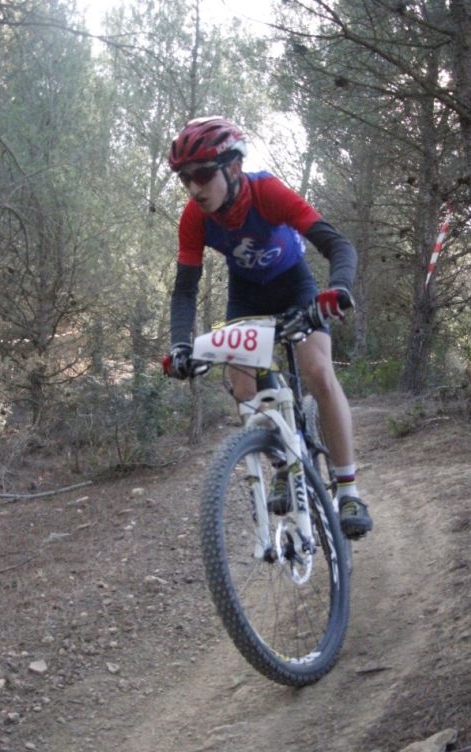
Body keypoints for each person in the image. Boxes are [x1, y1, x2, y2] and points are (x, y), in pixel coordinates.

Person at [162, 116, 372, 539]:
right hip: (247, 295)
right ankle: (282, 463)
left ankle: (348, 488)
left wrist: (337, 289)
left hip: (295, 286)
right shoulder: (194, 218)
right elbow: (185, 289)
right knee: (243, 385)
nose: (194, 187)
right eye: (185, 179)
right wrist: (181, 345)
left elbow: (337, 244)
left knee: (317, 372)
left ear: (233, 168)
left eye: (202, 175)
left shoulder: (267, 192)